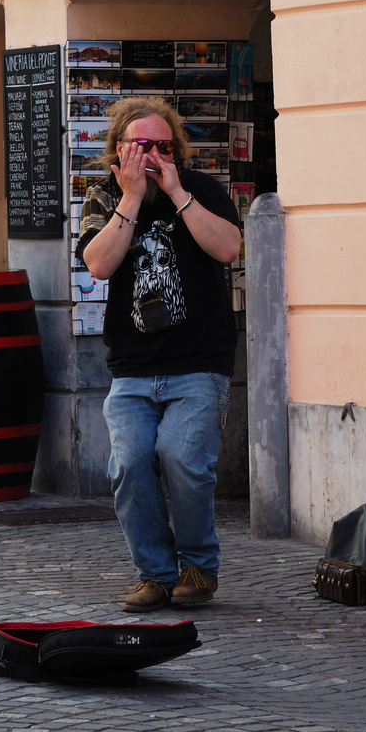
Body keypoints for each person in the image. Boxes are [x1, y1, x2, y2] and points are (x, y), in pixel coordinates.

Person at [78, 97, 242, 613]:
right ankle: (154, 573)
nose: (152, 154)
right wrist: (131, 198)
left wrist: (175, 192)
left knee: (182, 458)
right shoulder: (103, 197)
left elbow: (229, 248)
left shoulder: (204, 190)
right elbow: (99, 265)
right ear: (119, 149)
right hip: (133, 366)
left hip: (198, 361)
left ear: (177, 149)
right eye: (141, 145)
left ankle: (197, 566)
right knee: (128, 463)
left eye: (163, 146)